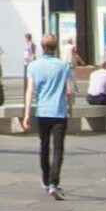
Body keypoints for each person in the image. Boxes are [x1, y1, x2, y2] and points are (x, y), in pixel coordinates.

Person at [21, 33, 74, 198]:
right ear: (56, 47)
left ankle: (45, 179)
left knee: (44, 145)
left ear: (42, 47)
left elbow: (30, 90)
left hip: (43, 112)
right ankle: (54, 182)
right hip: (59, 112)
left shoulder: (33, 66)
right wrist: (70, 108)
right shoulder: (64, 66)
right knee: (58, 148)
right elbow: (69, 90)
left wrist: (27, 114)